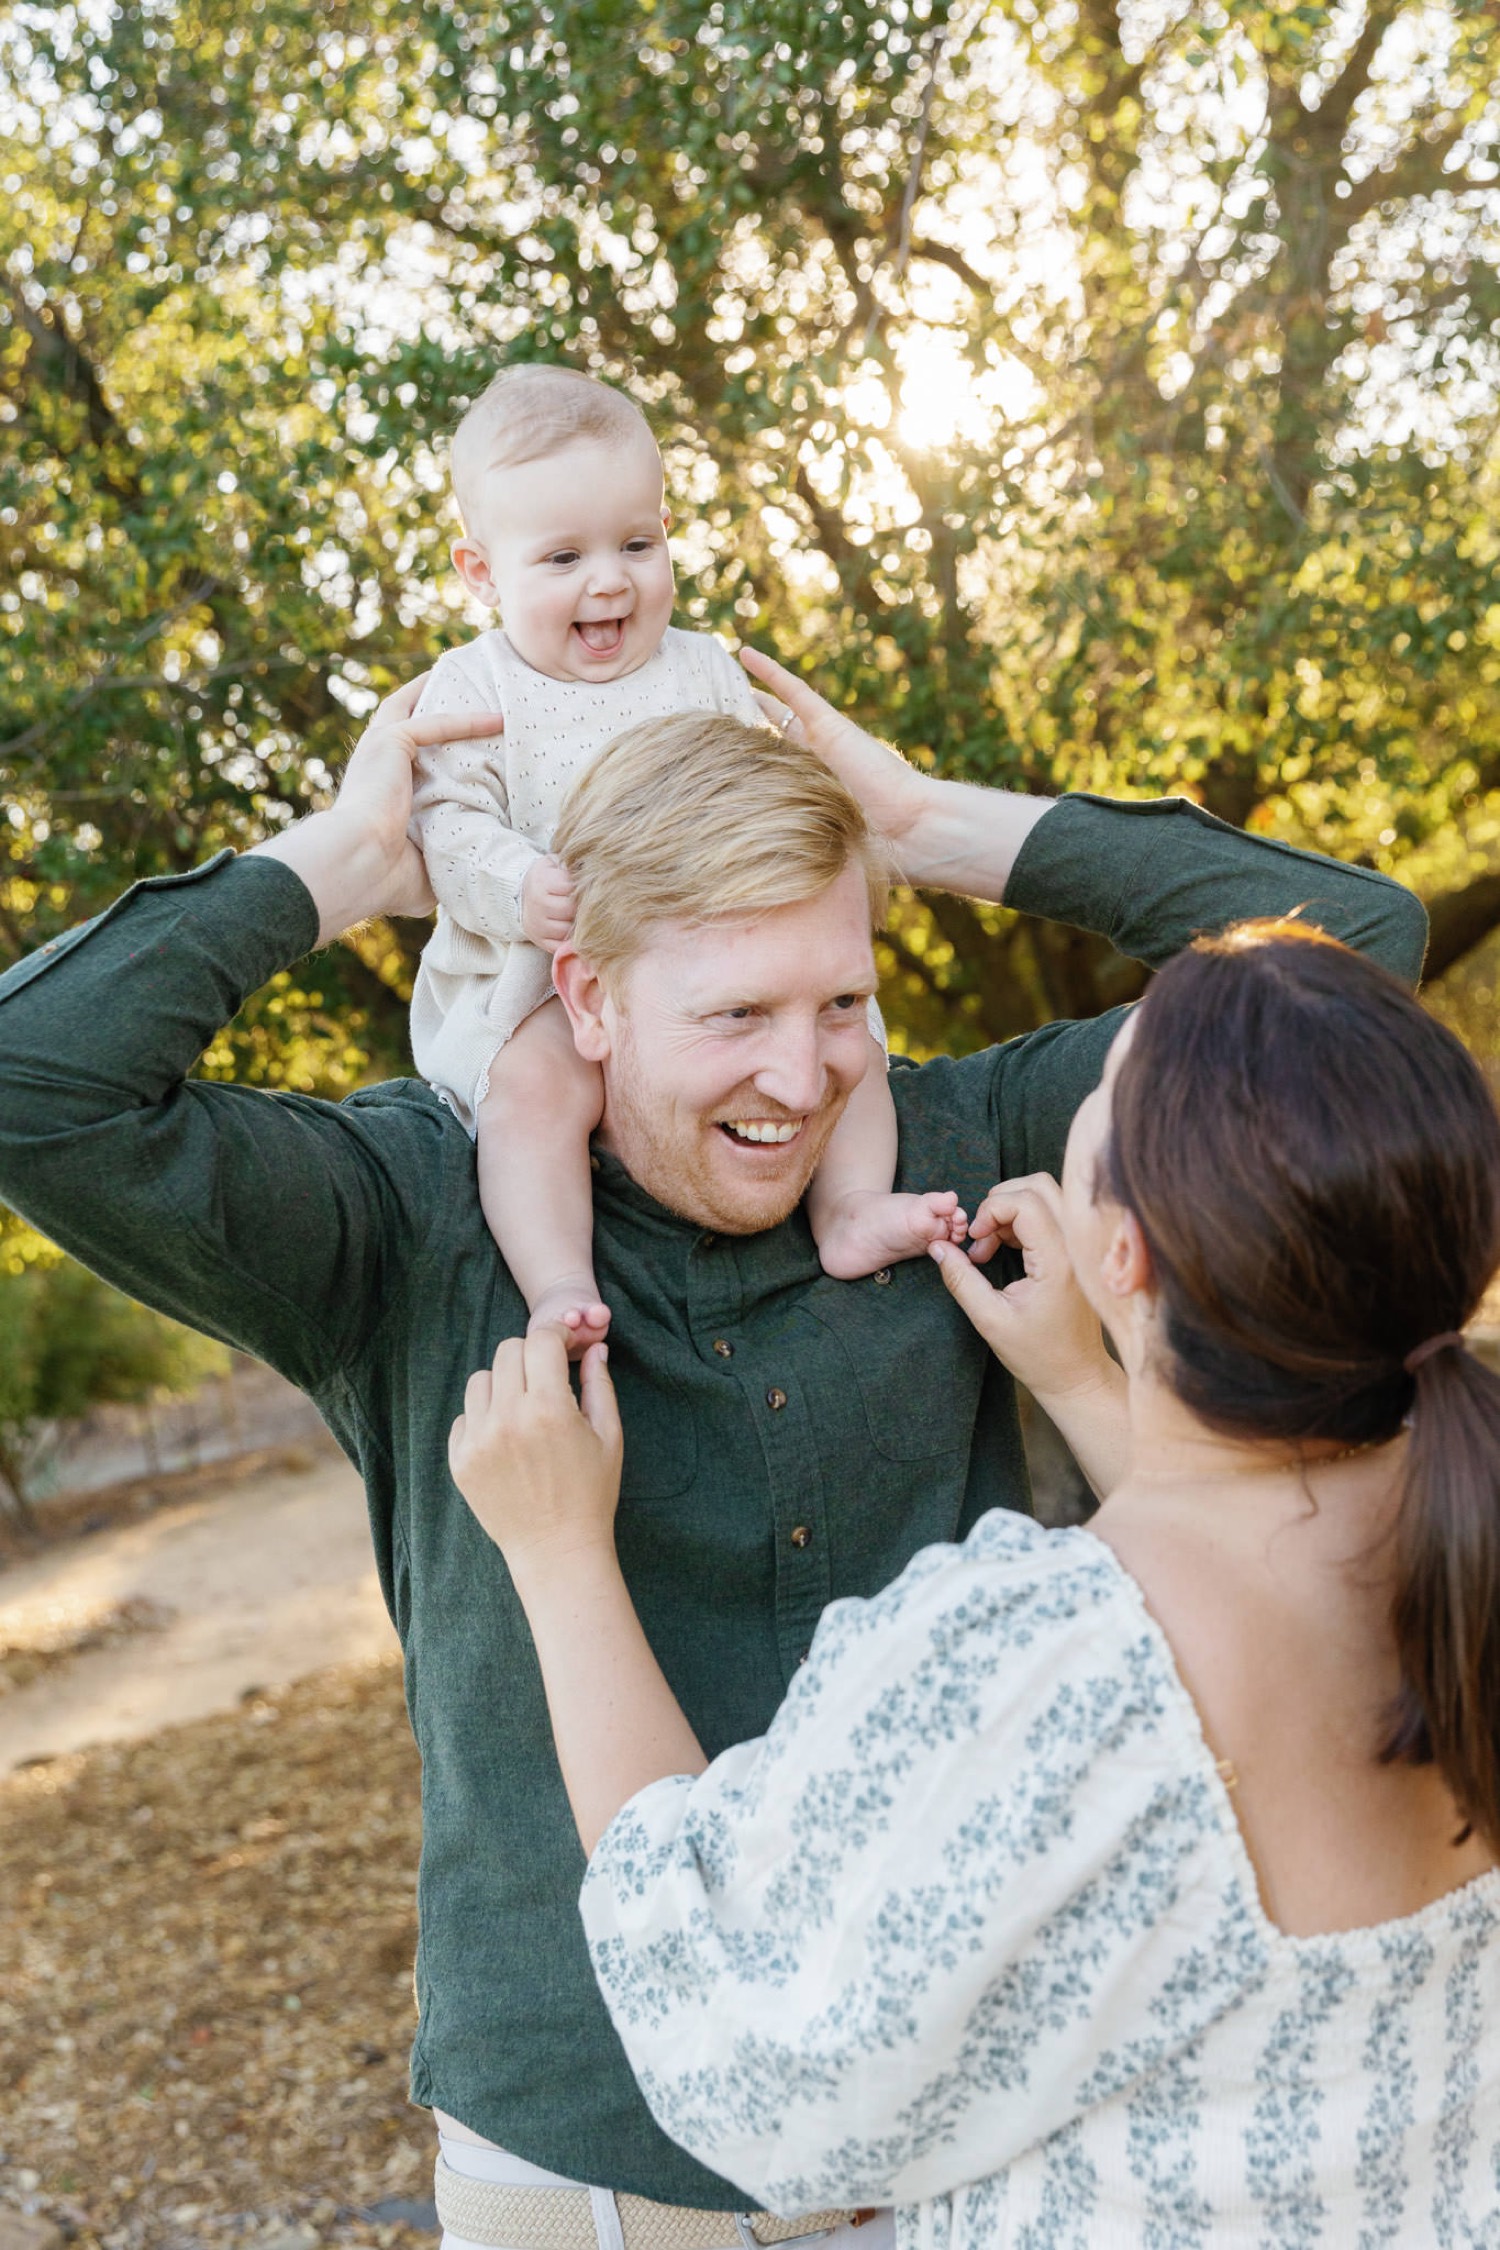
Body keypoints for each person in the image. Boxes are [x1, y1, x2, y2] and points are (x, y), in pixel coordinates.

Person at [0, 655, 1427, 2250]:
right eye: (735, 1012)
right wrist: (343, 862)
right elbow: (38, 1082)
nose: (801, 1074)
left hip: (966, 2161)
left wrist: (922, 821)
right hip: (587, 2173)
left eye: (840, 1000)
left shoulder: (948, 1146)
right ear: (589, 997)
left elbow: (1348, 966)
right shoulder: (411, 1212)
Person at [450, 919, 1500, 2246]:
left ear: (1126, 1252)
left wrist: (558, 1556)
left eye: (1094, 1108)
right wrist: (1077, 1373)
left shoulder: (1038, 1658)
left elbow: (743, 2040)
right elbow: (1253, 1572)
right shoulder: (1455, 1538)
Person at [409, 363, 960, 1350]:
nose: (610, 579)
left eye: (637, 541)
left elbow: (781, 785)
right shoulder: (475, 687)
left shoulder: (703, 666)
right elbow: (445, 824)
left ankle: (849, 1210)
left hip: (726, 955)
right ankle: (557, 1280)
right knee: (535, 1090)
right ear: (481, 574)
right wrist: (515, 883)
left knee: (853, 1049)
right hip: (544, 968)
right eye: (563, 557)